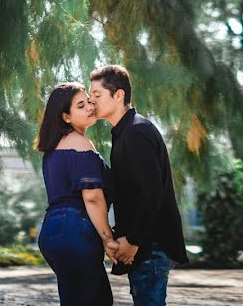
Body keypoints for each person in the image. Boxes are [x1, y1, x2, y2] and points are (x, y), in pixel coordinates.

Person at [90, 65, 188, 306]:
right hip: (145, 246)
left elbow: (151, 192)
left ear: (119, 94)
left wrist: (132, 240)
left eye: (97, 94)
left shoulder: (136, 131)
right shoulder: (125, 132)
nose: (92, 101)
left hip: (151, 246)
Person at [37, 82, 117, 306]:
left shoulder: (52, 150)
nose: (90, 107)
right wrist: (108, 239)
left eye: (89, 102)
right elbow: (92, 197)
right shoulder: (80, 143)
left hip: (53, 231)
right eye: (81, 106)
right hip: (75, 230)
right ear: (66, 117)